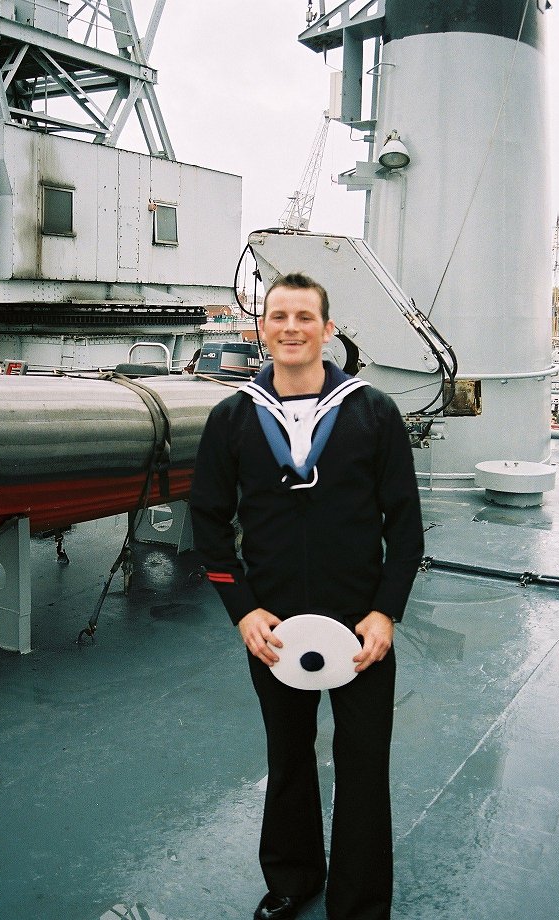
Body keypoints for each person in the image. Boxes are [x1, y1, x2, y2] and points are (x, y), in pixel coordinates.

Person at [189, 273, 424, 920]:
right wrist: (242, 610)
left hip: (361, 628)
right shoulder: (232, 417)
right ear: (262, 328)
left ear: (327, 329)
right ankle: (293, 877)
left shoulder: (373, 412)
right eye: (278, 316)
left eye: (304, 317)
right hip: (275, 625)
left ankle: (360, 903)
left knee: (363, 765)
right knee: (288, 756)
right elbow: (208, 522)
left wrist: (386, 611)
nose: (290, 327)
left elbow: (405, 526)